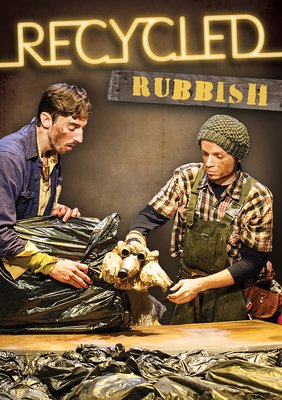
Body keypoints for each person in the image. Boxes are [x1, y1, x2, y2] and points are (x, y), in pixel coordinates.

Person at [125, 114, 273, 323]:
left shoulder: (256, 195)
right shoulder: (187, 177)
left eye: (219, 156)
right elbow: (149, 216)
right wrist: (135, 239)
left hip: (231, 294)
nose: (209, 163)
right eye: (205, 154)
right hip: (188, 289)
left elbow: (253, 261)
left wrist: (202, 284)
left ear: (237, 156)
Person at [0, 83, 94, 289]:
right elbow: (1, 233)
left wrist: (51, 212)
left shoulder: (53, 155)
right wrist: (50, 265)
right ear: (46, 120)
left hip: (24, 266)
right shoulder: (8, 157)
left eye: (82, 128)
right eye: (73, 127)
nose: (80, 138)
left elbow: (22, 212)